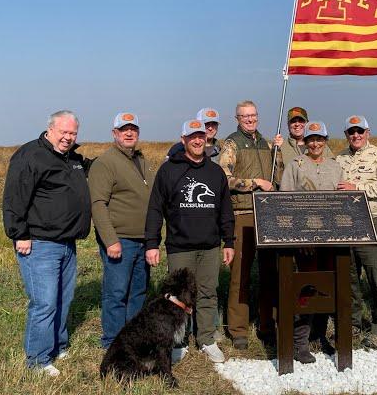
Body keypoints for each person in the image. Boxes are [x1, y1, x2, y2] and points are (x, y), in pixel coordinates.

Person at [2, 110, 91, 377]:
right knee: (45, 302)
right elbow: (14, 197)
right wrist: (20, 234)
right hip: (40, 243)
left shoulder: (72, 158)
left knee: (64, 298)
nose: (68, 137)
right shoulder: (30, 155)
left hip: (67, 243)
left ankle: (57, 346)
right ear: (50, 129)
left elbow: (91, 169)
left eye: (73, 133)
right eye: (63, 132)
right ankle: (38, 360)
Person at [144, 119, 235, 363]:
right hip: (180, 246)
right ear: (183, 139)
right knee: (177, 296)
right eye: (192, 136)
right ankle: (178, 340)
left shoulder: (215, 172)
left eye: (201, 136)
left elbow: (225, 210)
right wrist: (151, 243)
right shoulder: (169, 170)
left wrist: (229, 242)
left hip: (209, 246)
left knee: (207, 292)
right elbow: (155, 209)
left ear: (206, 139)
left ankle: (206, 338)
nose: (197, 140)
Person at [219, 100, 284, 350]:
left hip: (267, 214)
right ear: (237, 118)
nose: (250, 119)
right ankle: (238, 330)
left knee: (269, 273)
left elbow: (277, 178)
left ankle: (268, 325)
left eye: (253, 115)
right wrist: (254, 182)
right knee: (240, 275)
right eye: (245, 116)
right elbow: (224, 178)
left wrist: (278, 154)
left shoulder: (266, 143)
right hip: (243, 213)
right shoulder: (232, 143)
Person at [88, 112, 156, 349]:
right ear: (114, 133)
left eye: (133, 129)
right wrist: (110, 240)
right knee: (116, 294)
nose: (129, 133)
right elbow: (98, 204)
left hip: (143, 240)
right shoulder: (105, 163)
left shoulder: (142, 161)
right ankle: (113, 343)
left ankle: (132, 339)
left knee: (138, 292)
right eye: (124, 129)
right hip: (121, 241)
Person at [280, 121, 343, 362]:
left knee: (327, 287)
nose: (315, 143)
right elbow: (286, 201)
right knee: (305, 289)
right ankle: (300, 343)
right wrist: (299, 237)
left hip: (331, 240)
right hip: (305, 240)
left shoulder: (335, 166)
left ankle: (320, 335)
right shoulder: (295, 165)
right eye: (311, 139)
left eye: (320, 139)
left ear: (326, 140)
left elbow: (340, 203)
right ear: (304, 142)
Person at [336, 115, 377, 348]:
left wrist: (357, 188)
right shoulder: (339, 158)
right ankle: (353, 321)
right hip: (346, 225)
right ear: (346, 135)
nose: (356, 135)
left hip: (372, 222)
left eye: (360, 131)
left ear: (368, 132)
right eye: (351, 132)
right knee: (349, 276)